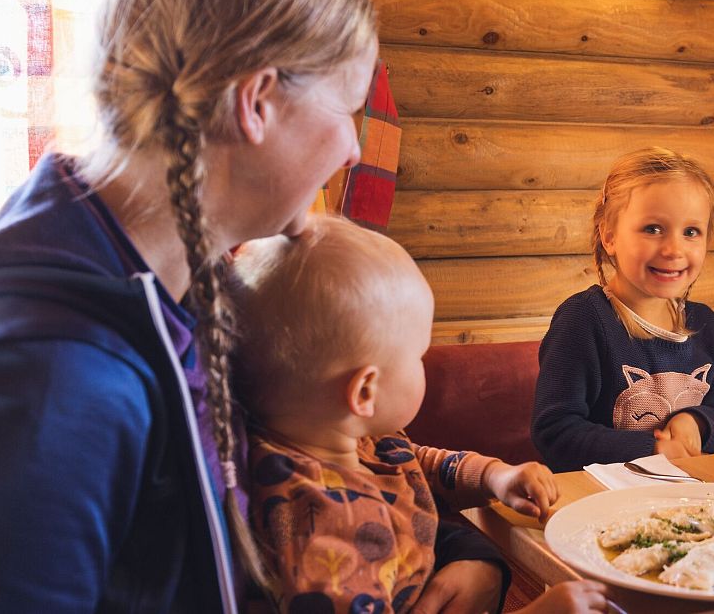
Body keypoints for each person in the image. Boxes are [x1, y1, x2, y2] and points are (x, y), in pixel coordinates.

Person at [0, 0, 383, 609]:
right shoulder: (60, 378)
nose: (353, 150)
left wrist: (470, 554)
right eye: (350, 108)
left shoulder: (165, 282)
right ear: (258, 102)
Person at [226, 215, 609, 613]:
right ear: (365, 391)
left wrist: (496, 476)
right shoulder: (320, 528)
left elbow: (415, 463)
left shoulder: (347, 436)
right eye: (416, 355)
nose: (422, 365)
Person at [532, 147, 714, 472]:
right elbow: (555, 434)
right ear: (609, 236)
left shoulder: (705, 324)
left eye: (691, 232)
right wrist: (652, 448)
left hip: (681, 498)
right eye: (653, 229)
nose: (674, 249)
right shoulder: (582, 321)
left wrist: (697, 422)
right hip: (598, 500)